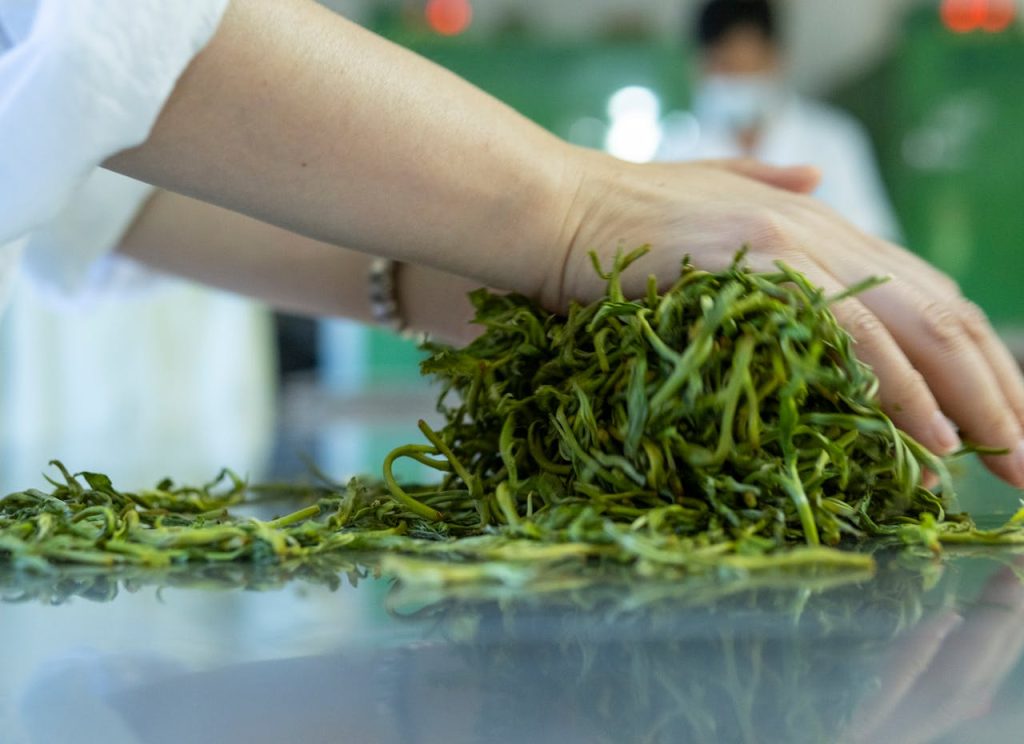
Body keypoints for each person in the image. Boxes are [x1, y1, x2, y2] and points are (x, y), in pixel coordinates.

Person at [1, 0, 1023, 489]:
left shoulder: (828, 136)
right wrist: (575, 207)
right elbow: (84, 43)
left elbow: (100, 185)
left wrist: (442, 274)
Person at [659, 0, 901, 242]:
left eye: (749, 68)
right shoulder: (677, 145)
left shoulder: (832, 139)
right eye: (727, 67)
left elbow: (871, 235)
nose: (738, 82)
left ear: (776, 57)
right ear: (699, 66)